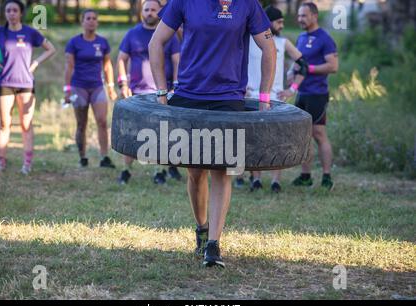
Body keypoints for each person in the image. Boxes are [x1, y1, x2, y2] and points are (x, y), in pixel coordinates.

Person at [149, 0, 276, 267]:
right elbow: (155, 43)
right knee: (195, 172)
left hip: (228, 97)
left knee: (222, 169)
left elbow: (269, 48)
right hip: (188, 95)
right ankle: (202, 227)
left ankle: (214, 244)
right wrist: (162, 91)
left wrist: (264, 96)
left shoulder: (247, 4)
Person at [237, 5, 307, 193]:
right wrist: (238, 87)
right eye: (279, 22)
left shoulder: (283, 43)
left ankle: (276, 181)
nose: (282, 25)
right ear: (267, 22)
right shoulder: (249, 40)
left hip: (276, 99)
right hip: (251, 98)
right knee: (251, 141)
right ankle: (255, 179)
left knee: (277, 141)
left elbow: (303, 65)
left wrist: (291, 89)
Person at [0, 0, 56, 175]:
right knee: (4, 124)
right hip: (5, 83)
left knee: (25, 124)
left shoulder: (30, 32)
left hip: (26, 84)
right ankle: (1, 162)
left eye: (15, 10)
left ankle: (27, 164)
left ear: (21, 13)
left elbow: (50, 49)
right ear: (5, 13)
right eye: (8, 10)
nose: (11, 13)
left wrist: (36, 63)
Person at [116, 0, 181, 185]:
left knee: (160, 134)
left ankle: (159, 171)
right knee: (130, 132)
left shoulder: (168, 35)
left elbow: (177, 60)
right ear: (141, 12)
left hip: (162, 93)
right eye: (147, 9)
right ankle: (126, 170)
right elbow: (121, 59)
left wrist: (175, 86)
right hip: (136, 93)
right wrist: (123, 84)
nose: (150, 12)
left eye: (154, 9)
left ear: (160, 12)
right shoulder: (132, 34)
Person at [280, 2, 338, 190]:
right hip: (302, 92)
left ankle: (327, 176)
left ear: (314, 16)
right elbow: (298, 62)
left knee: (319, 134)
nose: (300, 19)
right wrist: (292, 71)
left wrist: (309, 69)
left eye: (304, 16)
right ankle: (305, 176)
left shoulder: (325, 38)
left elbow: (333, 66)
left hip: (317, 94)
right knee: (304, 135)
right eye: (299, 16)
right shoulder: (301, 38)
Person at [64, 9, 118, 169]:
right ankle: (83, 157)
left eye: (94, 18)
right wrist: (67, 90)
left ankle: (104, 157)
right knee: (82, 123)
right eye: (88, 18)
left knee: (102, 121)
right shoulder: (74, 42)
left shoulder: (102, 42)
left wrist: (111, 86)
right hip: (78, 87)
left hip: (97, 87)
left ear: (97, 22)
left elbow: (107, 66)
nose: (91, 21)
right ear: (82, 22)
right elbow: (69, 67)